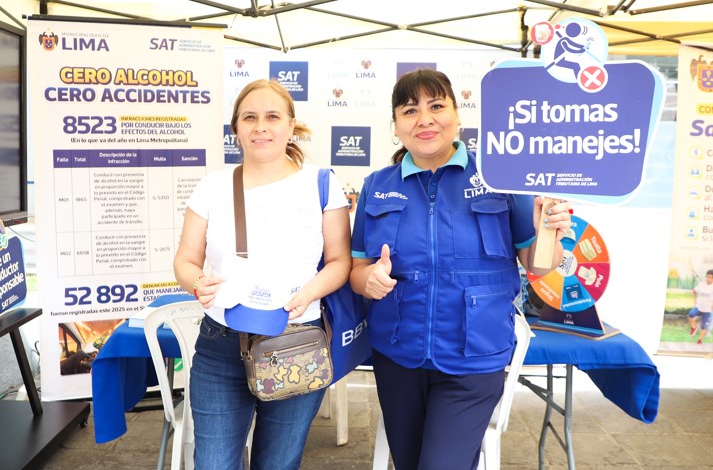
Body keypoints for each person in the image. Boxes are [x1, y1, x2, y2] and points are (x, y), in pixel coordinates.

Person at [349, 69, 572, 470]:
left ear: (457, 115)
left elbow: (537, 265)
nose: (424, 119)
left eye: (436, 106)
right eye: (410, 110)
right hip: (398, 355)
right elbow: (357, 270)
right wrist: (370, 281)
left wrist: (548, 232)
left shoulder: (500, 177)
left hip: (475, 357)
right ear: (396, 126)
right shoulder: (377, 185)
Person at [173, 79, 351, 469]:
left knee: (278, 463)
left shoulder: (321, 184)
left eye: (272, 117)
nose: (261, 127)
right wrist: (197, 282)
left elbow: (340, 261)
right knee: (213, 464)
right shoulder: (212, 187)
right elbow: (185, 260)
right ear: (236, 128)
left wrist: (310, 292)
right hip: (221, 344)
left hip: (296, 340)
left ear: (291, 125)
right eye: (249, 117)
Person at [688, 269, 713, 345]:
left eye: (710, 277)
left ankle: (700, 340)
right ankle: (693, 327)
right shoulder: (701, 284)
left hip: (707, 310)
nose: (708, 278)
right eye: (707, 276)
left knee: (703, 326)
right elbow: (694, 291)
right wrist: (695, 301)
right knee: (691, 314)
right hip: (698, 307)